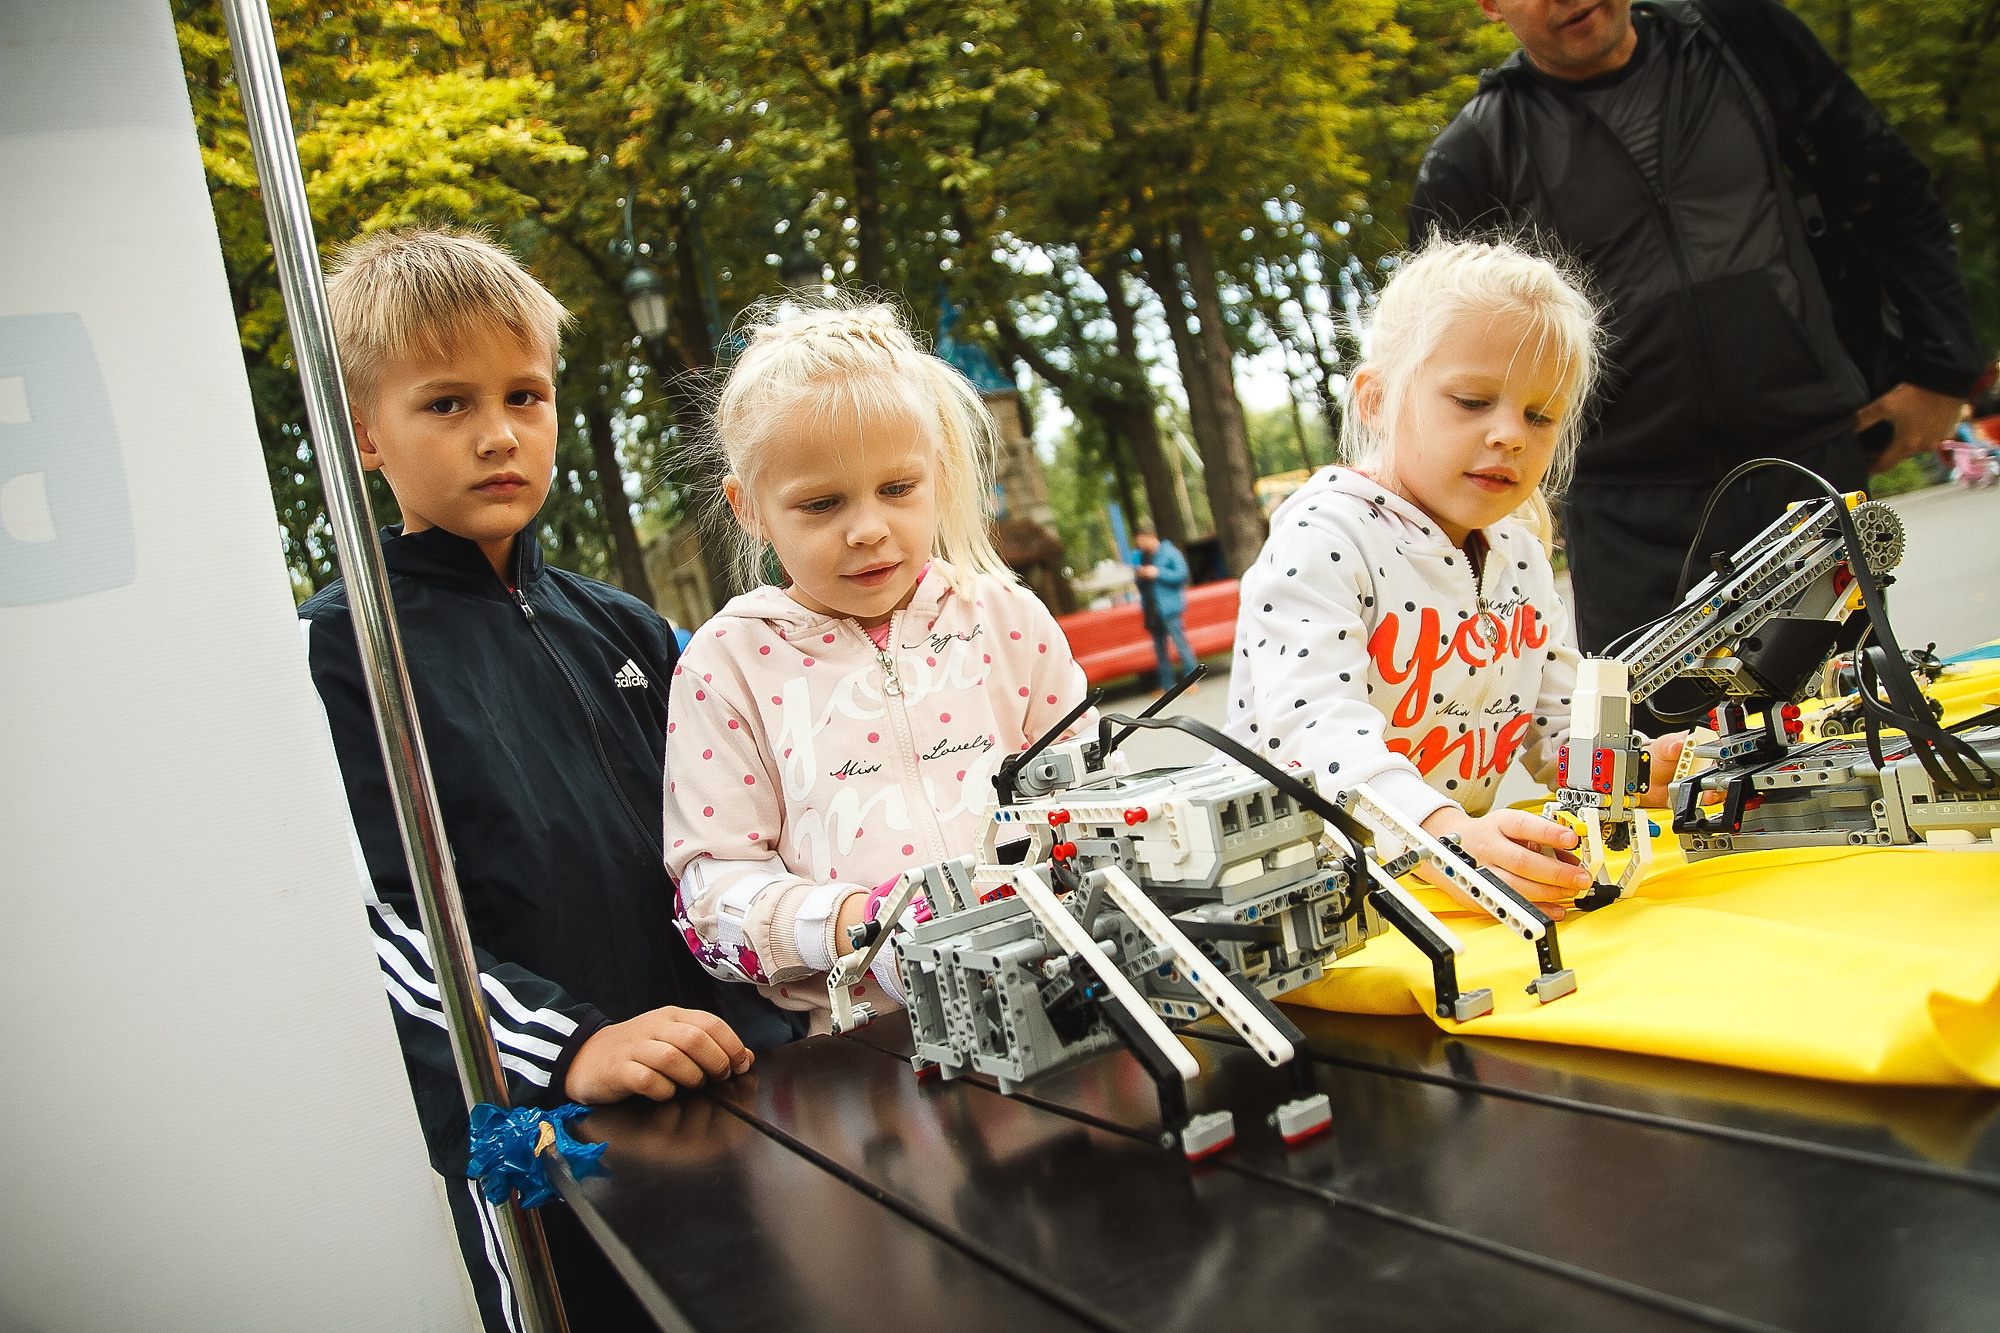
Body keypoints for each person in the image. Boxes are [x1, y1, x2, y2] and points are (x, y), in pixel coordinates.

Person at [301, 227, 791, 1332]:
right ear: (364, 433)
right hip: (543, 1140)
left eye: (524, 397)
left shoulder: (625, 627)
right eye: (447, 404)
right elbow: (372, 926)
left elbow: (748, 828)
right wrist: (567, 1043)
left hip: (733, 1085)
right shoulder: (342, 652)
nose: (497, 436)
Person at [1409, 0, 1986, 661]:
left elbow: (1890, 190)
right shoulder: (1474, 156)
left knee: (1845, 729)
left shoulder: (1743, 41)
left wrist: (1942, 372)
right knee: (1657, 756)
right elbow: (1440, 371)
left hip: (1805, 464)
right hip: (1630, 518)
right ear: (1489, 4)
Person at [664, 299, 1097, 1027]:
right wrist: (857, 920)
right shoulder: (727, 666)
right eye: (821, 503)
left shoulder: (1005, 620)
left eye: (898, 489)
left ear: (939, 470)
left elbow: (1095, 787)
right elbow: (709, 898)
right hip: (865, 1047)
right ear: (750, 508)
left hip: (1062, 993)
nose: (868, 529)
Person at [1224, 238, 1683, 911]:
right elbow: (1316, 733)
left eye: (1540, 415)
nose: (1510, 435)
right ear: (1376, 402)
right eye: (1472, 400)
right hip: (1297, 896)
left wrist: (1638, 768)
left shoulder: (1522, 555)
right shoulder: (1324, 539)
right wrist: (1448, 837)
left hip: (1438, 880)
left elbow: (1557, 726)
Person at [1132, 522, 1198, 693]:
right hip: (1152, 609)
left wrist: (1158, 573)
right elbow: (1141, 584)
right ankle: (1166, 685)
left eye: (1142, 542)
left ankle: (1192, 680)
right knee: (1160, 650)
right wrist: (1141, 575)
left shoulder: (1170, 553)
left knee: (1180, 644)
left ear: (1151, 537)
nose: (1140, 546)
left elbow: (1182, 575)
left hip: (1169, 607)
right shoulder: (1144, 556)